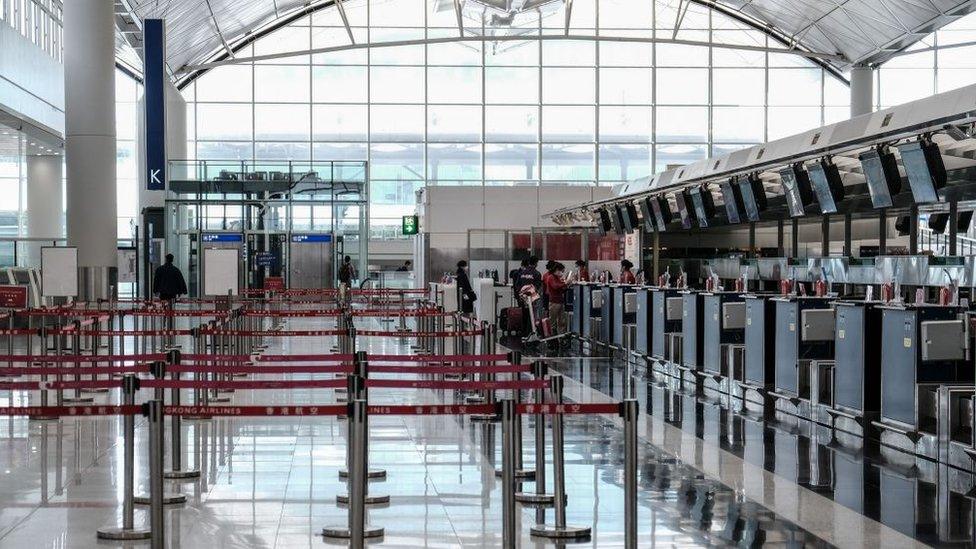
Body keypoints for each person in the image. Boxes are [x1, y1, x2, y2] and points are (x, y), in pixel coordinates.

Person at [545, 262, 568, 336]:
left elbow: (560, 288)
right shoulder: (551, 277)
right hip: (554, 302)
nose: (561, 273)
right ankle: (551, 337)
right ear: (557, 270)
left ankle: (561, 336)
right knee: (553, 321)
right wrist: (565, 283)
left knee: (562, 321)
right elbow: (555, 286)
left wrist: (566, 285)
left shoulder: (557, 278)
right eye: (561, 271)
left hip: (560, 301)